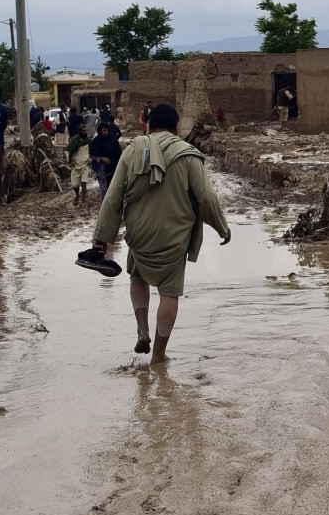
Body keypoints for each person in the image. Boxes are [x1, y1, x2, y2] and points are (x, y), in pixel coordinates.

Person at [92, 103, 231, 365]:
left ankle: (142, 330)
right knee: (169, 294)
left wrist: (102, 238)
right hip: (174, 237)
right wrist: (221, 226)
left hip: (139, 233)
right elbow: (206, 197)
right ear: (177, 127)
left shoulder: (133, 150)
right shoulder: (188, 154)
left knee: (137, 276)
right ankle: (158, 355)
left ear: (148, 124)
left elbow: (113, 197)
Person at [88, 121, 122, 200]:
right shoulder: (96, 141)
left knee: (114, 187)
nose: (105, 132)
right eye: (103, 131)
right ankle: (104, 205)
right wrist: (102, 158)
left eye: (106, 130)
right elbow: (91, 155)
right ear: (99, 131)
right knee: (104, 188)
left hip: (114, 167)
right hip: (102, 169)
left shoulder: (113, 139)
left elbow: (119, 152)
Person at [67, 123, 95, 206]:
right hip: (76, 165)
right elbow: (67, 151)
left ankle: (83, 200)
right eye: (83, 131)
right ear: (79, 131)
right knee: (75, 184)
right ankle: (77, 195)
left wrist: (90, 159)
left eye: (86, 130)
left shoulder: (89, 141)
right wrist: (71, 160)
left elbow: (92, 153)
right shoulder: (74, 140)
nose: (85, 132)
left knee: (84, 182)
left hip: (85, 164)